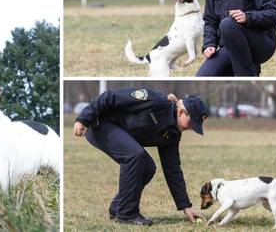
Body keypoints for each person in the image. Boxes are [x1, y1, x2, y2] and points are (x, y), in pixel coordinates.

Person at [73, 86, 207, 225]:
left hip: (117, 131)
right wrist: (83, 119)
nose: (191, 128)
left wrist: (186, 206)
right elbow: (110, 97)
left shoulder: (172, 135)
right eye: (191, 123)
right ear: (180, 112)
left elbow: (173, 170)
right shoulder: (155, 100)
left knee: (148, 167)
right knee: (135, 155)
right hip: (99, 124)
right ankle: (127, 214)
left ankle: (118, 207)